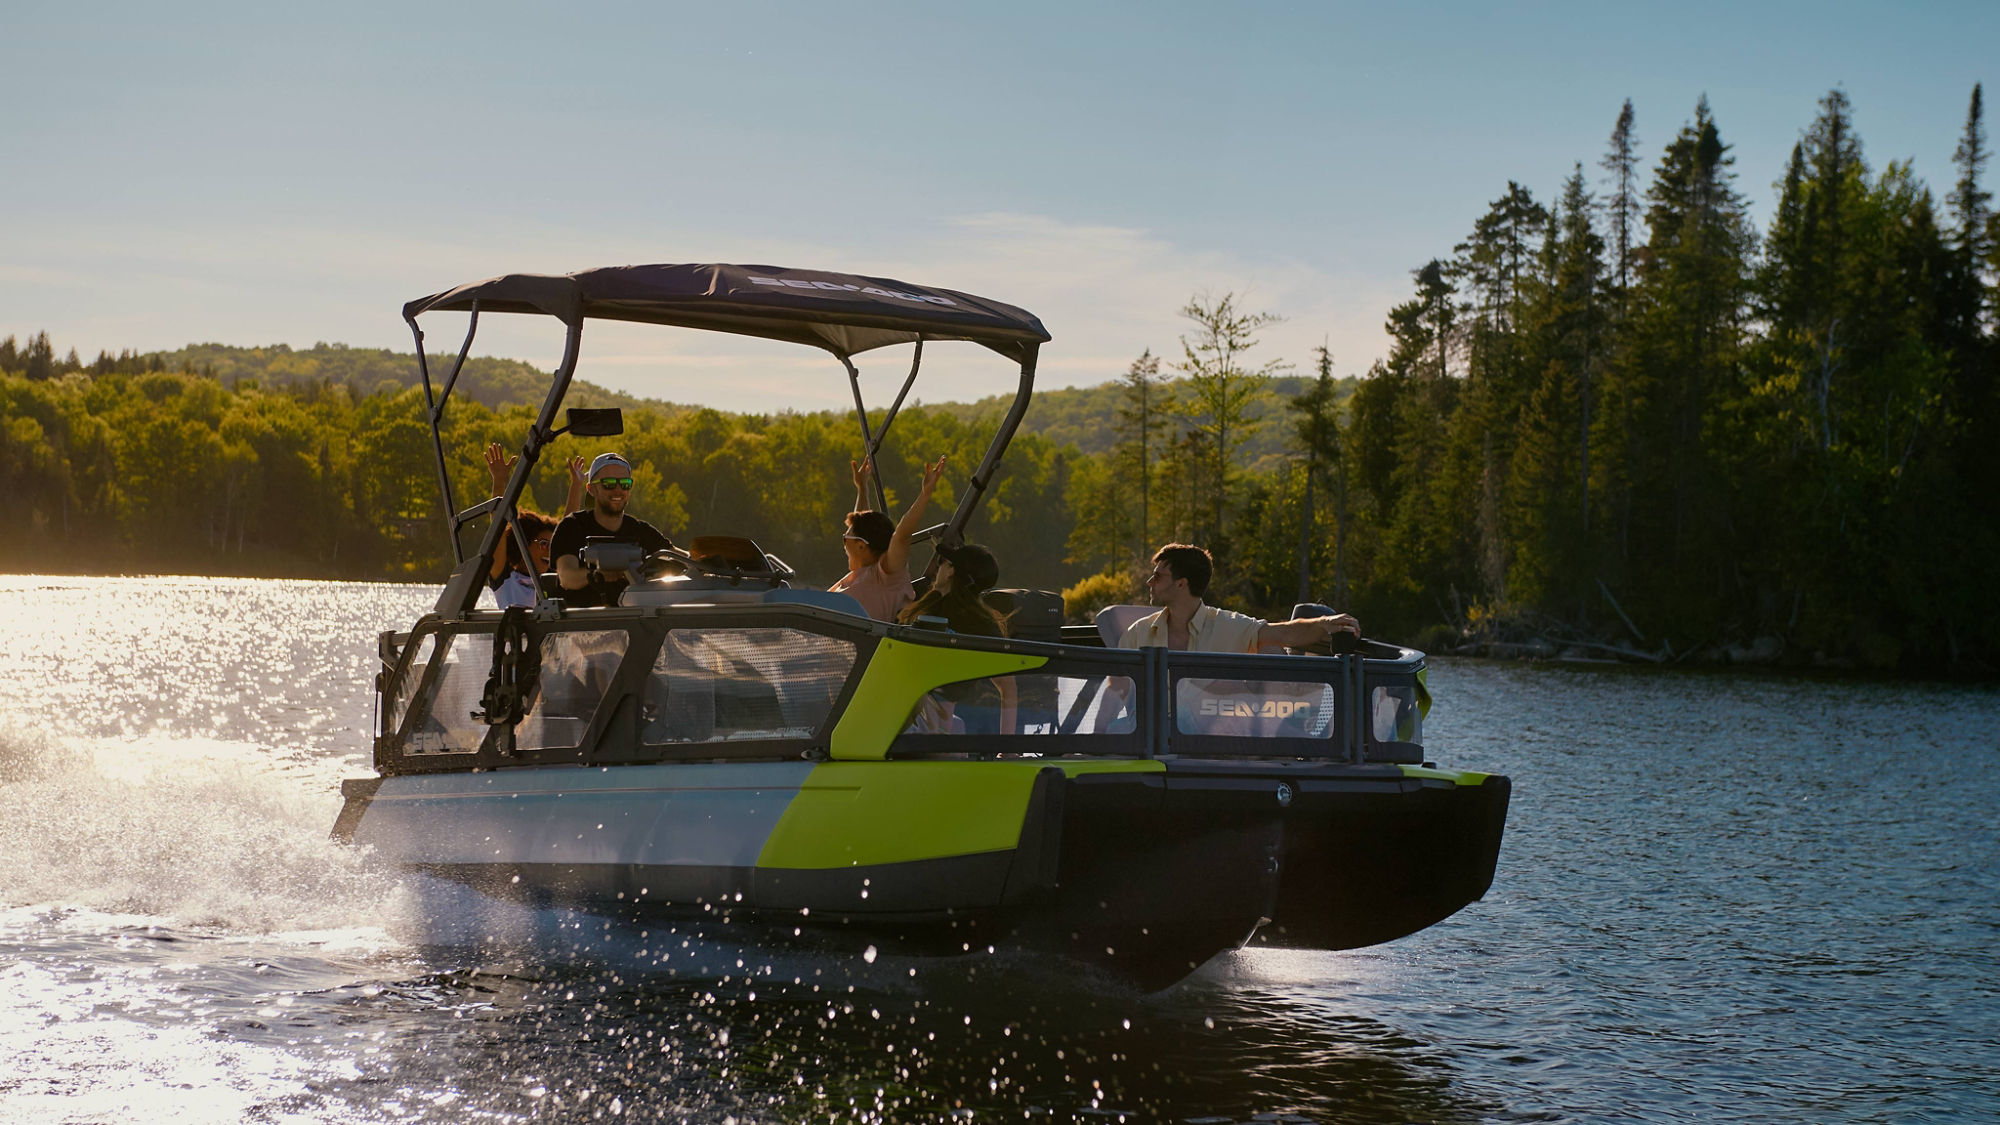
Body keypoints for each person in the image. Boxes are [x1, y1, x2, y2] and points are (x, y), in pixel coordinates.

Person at [1119, 543, 1360, 652]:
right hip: (1147, 745)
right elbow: (1114, 692)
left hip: (1202, 747)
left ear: (1181, 583)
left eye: (1158, 577)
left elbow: (1283, 633)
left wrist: (1326, 623)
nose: (1150, 582)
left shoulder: (1230, 626)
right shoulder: (1136, 633)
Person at [896, 542, 1017, 734]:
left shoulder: (923, 613)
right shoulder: (983, 625)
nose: (938, 568)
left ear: (951, 570)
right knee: (958, 728)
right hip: (939, 725)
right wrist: (1008, 750)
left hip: (907, 722)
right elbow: (1008, 688)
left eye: (942, 562)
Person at [550, 452, 675, 607]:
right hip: (581, 626)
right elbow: (566, 577)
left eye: (625, 483)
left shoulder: (642, 531)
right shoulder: (572, 526)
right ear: (591, 489)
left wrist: (706, 558)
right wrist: (597, 575)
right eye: (609, 483)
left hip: (637, 625)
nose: (618, 490)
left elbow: (681, 558)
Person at [831, 454, 945, 621]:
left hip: (862, 644)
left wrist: (925, 494)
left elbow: (902, 535)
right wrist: (862, 488)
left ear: (861, 545)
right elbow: (862, 526)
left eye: (845, 537)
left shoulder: (886, 575)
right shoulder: (858, 574)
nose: (844, 541)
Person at [482, 444, 586, 609]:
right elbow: (497, 527)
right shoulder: (505, 579)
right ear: (523, 544)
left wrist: (576, 485)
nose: (549, 551)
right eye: (544, 544)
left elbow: (567, 531)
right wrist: (499, 480)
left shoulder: (555, 580)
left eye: (552, 546)